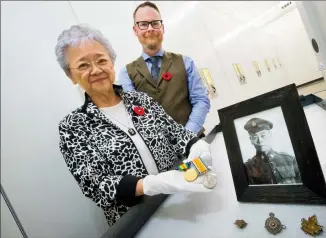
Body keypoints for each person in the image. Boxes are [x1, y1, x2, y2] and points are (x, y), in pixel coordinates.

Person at [55, 24, 215, 226]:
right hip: (137, 219)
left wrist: (196, 146)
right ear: (71, 76)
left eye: (101, 60)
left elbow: (176, 134)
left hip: (179, 204)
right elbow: (95, 185)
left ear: (111, 63)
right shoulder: (73, 127)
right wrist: (149, 185)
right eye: (83, 65)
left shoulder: (141, 101)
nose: (96, 70)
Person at [118, 1, 210, 137]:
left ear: (162, 27)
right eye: (143, 24)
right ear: (135, 30)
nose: (150, 29)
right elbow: (135, 114)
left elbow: (201, 101)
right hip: (158, 153)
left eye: (155, 23)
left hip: (195, 143)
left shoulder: (185, 62)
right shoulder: (127, 73)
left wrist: (186, 135)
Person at [243, 118, 301, 185]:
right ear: (251, 140)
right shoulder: (248, 167)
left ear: (270, 135)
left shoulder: (290, 160)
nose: (260, 140)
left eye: (263, 135)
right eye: (255, 137)